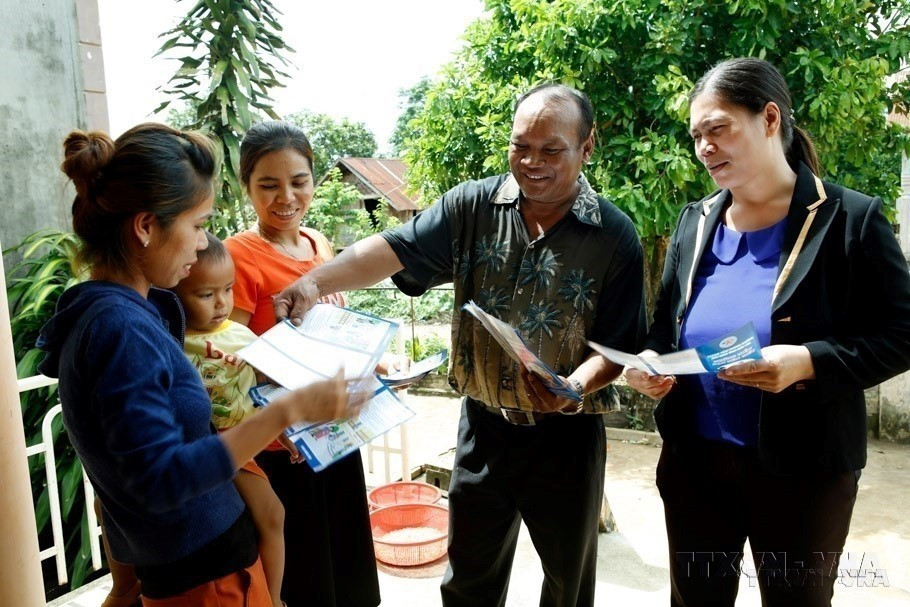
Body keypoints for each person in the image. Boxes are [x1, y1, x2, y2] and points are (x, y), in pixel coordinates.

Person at [273, 83, 647, 607]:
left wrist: (574, 386)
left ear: (587, 146)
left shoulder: (614, 234)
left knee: (567, 582)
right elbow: (393, 249)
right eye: (520, 146)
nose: (531, 162)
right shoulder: (473, 206)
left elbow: (618, 345)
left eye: (551, 150)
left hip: (566, 440)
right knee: (469, 581)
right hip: (484, 429)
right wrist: (315, 281)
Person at [624, 57, 910, 607]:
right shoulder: (695, 220)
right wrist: (649, 362)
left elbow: (901, 334)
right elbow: (664, 327)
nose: (704, 147)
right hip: (695, 467)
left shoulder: (848, 219)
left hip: (804, 473)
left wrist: (807, 361)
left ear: (769, 118)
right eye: (696, 136)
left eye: (718, 129)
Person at [38, 123, 360, 606]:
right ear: (146, 227)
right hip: (205, 576)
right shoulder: (120, 329)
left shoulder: (122, 314)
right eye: (198, 226)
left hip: (201, 559)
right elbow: (163, 478)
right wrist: (286, 410)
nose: (202, 245)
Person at [224, 121, 381, 607]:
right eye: (268, 185)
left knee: (346, 564)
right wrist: (283, 421)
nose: (286, 197)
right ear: (246, 187)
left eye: (298, 181)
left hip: (334, 433)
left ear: (314, 180)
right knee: (307, 574)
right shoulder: (236, 257)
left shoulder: (319, 246)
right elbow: (229, 361)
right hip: (282, 446)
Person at [174, 231, 294, 607]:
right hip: (201, 449)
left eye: (228, 289)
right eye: (206, 294)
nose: (222, 303)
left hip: (239, 448)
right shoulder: (170, 340)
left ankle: (273, 598)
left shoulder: (241, 337)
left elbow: (263, 388)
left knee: (273, 514)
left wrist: (286, 431)